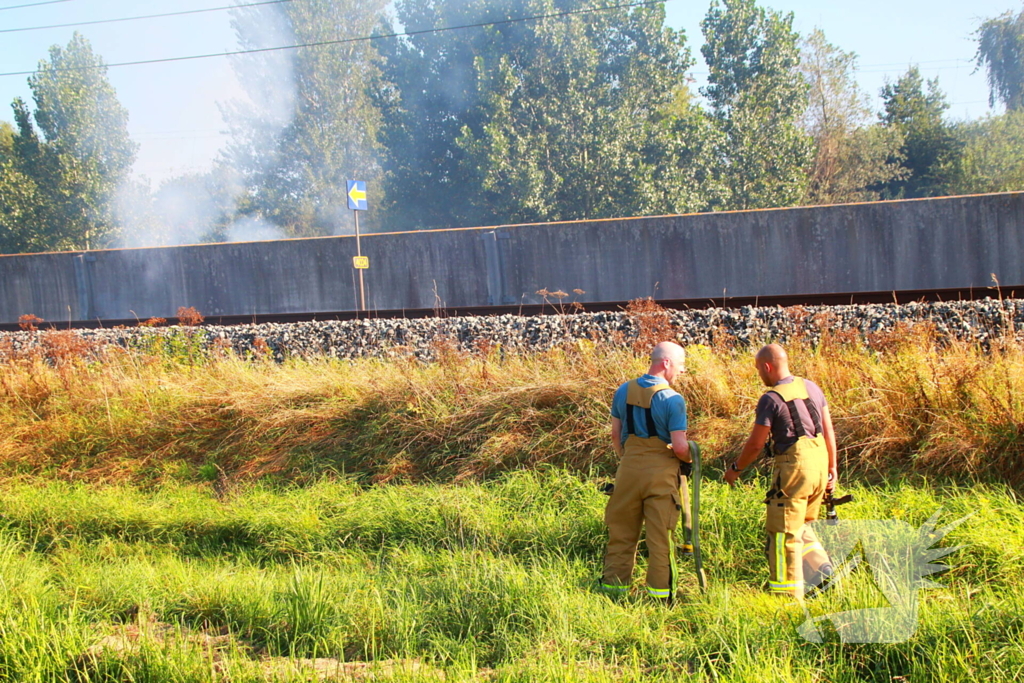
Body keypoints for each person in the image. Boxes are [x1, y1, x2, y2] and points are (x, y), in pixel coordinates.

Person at [724, 344, 839, 598]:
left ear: (767, 367)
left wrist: (735, 469)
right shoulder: (811, 387)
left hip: (795, 470)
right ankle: (822, 569)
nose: (759, 375)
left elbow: (755, 444)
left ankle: (786, 597)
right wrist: (833, 469)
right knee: (804, 524)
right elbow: (829, 431)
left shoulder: (771, 399)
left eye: (758, 370)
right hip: (820, 466)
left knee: (783, 533)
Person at [600, 341, 692, 601]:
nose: (682, 370)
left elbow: (616, 436)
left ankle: (613, 595)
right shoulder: (673, 399)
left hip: (628, 469)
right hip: (661, 474)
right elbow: (681, 446)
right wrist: (690, 459)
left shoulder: (622, 391)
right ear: (666, 363)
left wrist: (627, 460)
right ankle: (661, 598)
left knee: (621, 535)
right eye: (681, 364)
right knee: (660, 539)